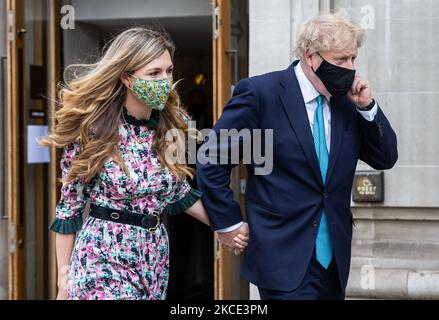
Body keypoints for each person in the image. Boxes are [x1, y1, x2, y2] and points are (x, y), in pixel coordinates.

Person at [196, 13, 398, 300]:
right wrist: (228, 223)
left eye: (353, 59)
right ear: (310, 56)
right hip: (281, 257)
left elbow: (386, 157)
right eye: (341, 60)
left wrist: (368, 108)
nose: (350, 69)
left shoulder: (347, 102)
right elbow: (212, 159)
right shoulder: (260, 94)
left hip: (333, 261)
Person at [40, 27, 249, 300]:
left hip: (154, 255)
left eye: (168, 71)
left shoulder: (170, 128)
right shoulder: (93, 131)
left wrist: (227, 226)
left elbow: (176, 193)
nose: (165, 80)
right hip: (102, 256)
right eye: (154, 73)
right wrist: (63, 281)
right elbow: (69, 210)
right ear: (127, 77)